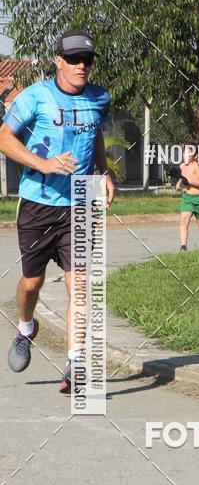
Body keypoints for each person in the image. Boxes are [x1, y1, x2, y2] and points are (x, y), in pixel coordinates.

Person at [0, 28, 115, 394]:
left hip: (80, 201)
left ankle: (75, 361)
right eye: (75, 59)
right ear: (59, 62)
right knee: (31, 282)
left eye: (88, 60)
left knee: (78, 284)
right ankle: (25, 326)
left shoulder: (99, 98)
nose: (83, 66)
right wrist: (42, 163)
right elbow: (4, 137)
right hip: (38, 202)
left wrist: (104, 170)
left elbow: (94, 133)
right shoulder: (35, 97)